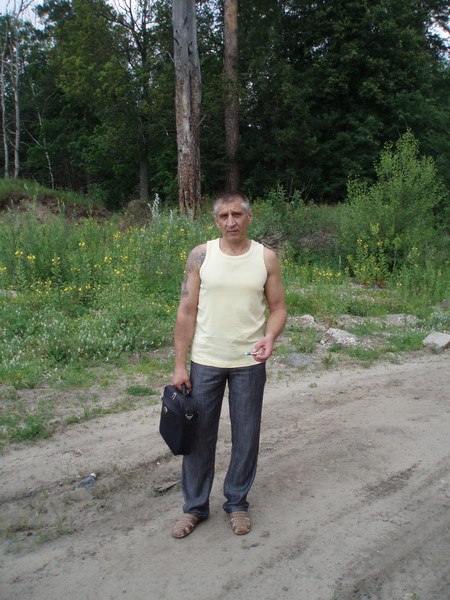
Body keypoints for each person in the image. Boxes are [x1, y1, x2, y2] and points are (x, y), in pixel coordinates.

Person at [171, 191, 287, 539]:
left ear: (249, 217)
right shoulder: (201, 255)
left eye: (237, 214)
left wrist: (270, 337)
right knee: (198, 438)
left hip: (249, 362)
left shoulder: (265, 258)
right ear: (216, 220)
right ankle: (194, 507)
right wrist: (180, 365)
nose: (231, 222)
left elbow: (278, 308)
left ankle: (237, 502)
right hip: (205, 360)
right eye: (224, 216)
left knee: (246, 435)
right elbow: (186, 311)